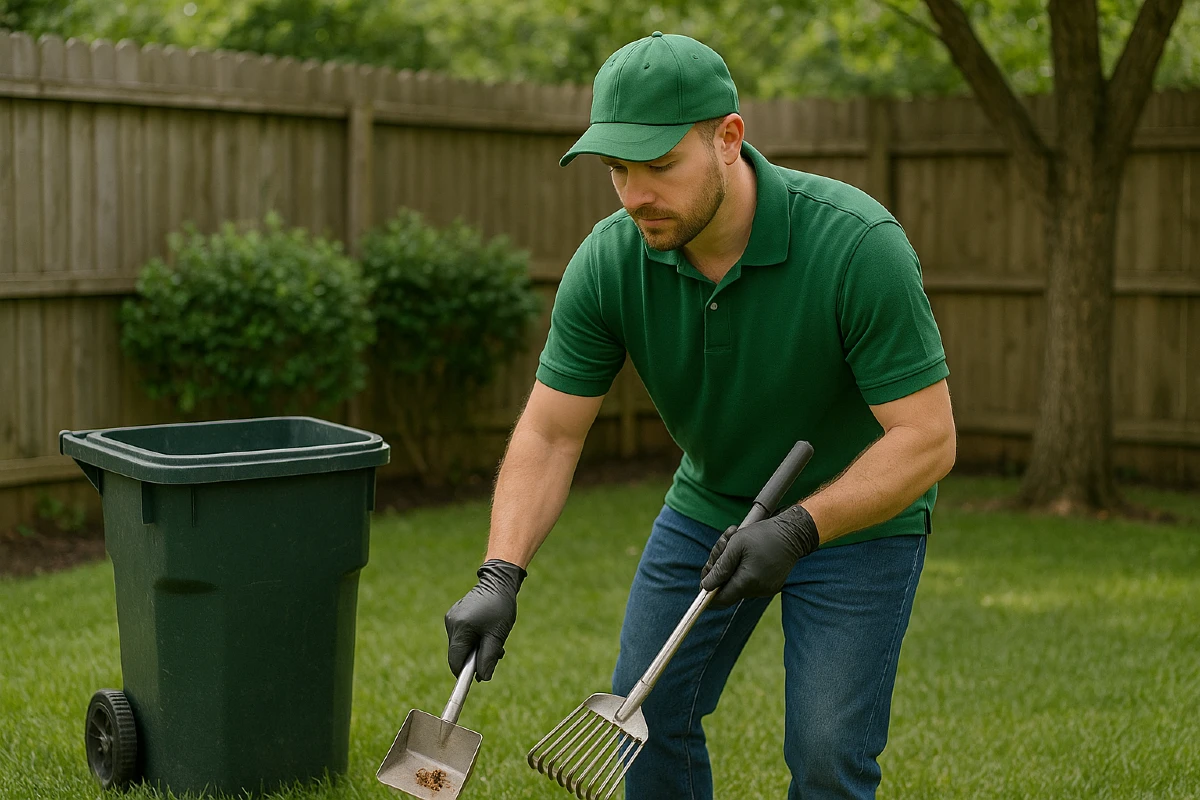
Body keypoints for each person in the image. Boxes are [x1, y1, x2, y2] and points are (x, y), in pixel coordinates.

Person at [443, 31, 956, 800]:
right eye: (617, 170)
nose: (634, 194)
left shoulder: (857, 246)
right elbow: (550, 434)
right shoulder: (611, 261)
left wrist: (795, 528)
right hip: (711, 505)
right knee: (642, 724)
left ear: (729, 138)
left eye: (657, 167)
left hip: (861, 521)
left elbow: (927, 439)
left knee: (826, 754)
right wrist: (500, 571)